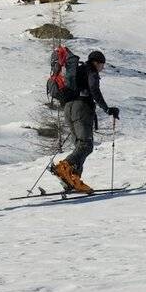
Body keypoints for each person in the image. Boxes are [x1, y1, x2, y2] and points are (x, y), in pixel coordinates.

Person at [50, 50, 119, 193]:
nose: (102, 68)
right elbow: (94, 89)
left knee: (80, 146)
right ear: (96, 62)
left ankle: (72, 180)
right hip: (81, 108)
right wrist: (106, 109)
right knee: (86, 145)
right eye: (102, 65)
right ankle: (64, 167)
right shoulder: (90, 70)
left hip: (68, 108)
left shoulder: (77, 71)